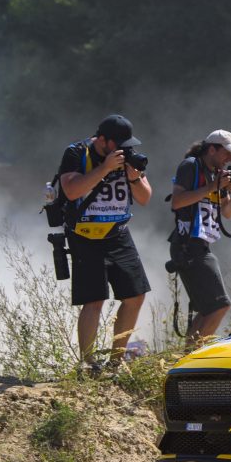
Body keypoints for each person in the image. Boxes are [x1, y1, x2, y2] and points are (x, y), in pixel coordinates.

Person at [58, 114, 153, 370]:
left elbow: (145, 197)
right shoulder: (77, 152)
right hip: (85, 235)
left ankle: (116, 361)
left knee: (135, 296)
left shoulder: (127, 156)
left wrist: (134, 177)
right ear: (102, 140)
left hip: (118, 233)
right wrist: (104, 168)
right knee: (94, 300)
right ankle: (87, 363)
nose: (123, 149)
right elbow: (71, 191)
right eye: (118, 144)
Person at [169, 129, 231, 348]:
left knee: (208, 309)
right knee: (220, 305)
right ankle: (193, 358)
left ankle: (187, 357)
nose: (230, 159)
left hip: (202, 245)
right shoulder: (191, 166)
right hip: (187, 245)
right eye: (226, 153)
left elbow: (227, 213)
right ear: (212, 149)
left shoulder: (217, 174)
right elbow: (177, 201)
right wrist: (212, 187)